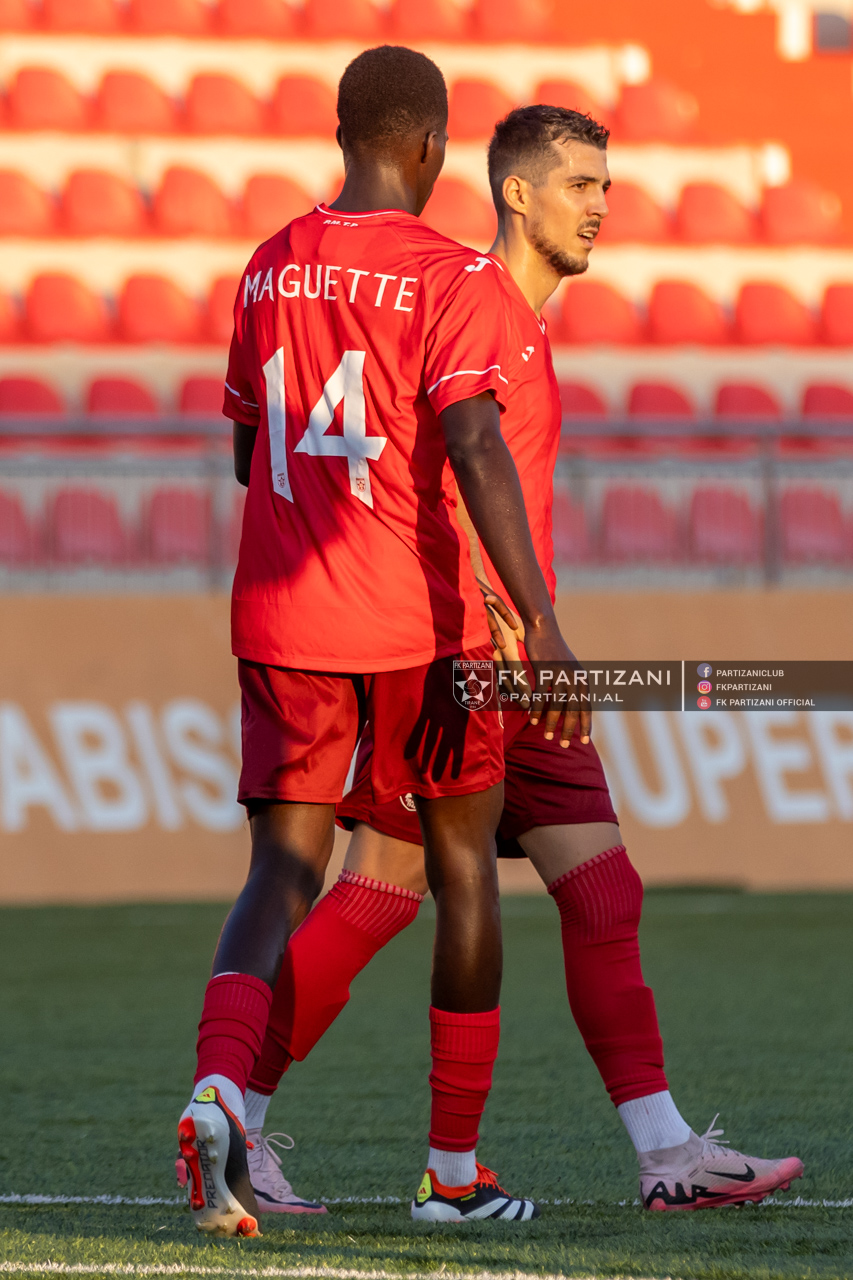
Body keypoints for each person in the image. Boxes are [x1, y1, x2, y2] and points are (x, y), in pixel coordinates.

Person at [236, 105, 805, 1218]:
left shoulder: (517, 319)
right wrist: (517, 626)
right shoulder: (477, 302)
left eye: (606, 186)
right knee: (389, 890)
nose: (601, 206)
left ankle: (664, 1151)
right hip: (469, 660)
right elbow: (436, 475)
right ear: (515, 192)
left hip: (498, 660)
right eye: (580, 185)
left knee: (560, 887)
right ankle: (253, 1122)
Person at [176, 52, 581, 1237]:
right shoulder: (451, 276)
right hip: (418, 627)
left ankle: (220, 1092)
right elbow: (474, 440)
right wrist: (540, 621)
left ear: (341, 134)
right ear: (432, 149)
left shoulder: (266, 266)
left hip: (283, 619)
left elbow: (248, 452)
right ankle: (451, 1172)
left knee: (280, 872)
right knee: (461, 870)